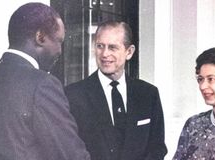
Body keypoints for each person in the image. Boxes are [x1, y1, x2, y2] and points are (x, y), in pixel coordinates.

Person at [0, 3, 90, 160]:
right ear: (40, 37)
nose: (60, 50)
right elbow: (70, 155)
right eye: (59, 41)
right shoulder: (43, 85)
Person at [64, 21, 167, 160]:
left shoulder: (148, 94)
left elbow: (157, 148)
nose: (105, 54)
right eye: (100, 46)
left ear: (129, 52)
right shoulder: (73, 95)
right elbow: (69, 149)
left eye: (112, 47)